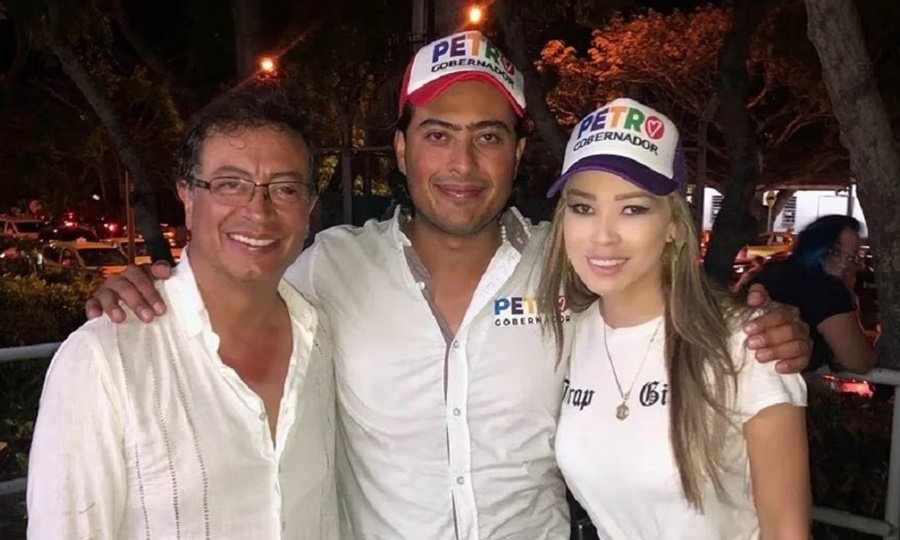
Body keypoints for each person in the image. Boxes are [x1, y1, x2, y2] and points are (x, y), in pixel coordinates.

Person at [85, 31, 810, 539]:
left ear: (517, 153)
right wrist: (148, 288)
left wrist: (772, 330)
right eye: (438, 135)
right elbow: (232, 292)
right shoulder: (329, 268)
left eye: (487, 136)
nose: (462, 164)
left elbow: (669, 316)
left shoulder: (569, 268)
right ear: (402, 149)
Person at [28, 84, 338, 538]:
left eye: (285, 189)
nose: (258, 211)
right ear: (188, 198)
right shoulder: (105, 360)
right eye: (230, 184)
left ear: (308, 209)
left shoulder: (325, 338)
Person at [539, 99, 809, 538]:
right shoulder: (567, 335)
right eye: (583, 208)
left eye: (633, 209)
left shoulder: (747, 344)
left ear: (673, 225)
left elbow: (787, 530)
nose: (602, 236)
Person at [754, 214, 877, 373]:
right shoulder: (828, 290)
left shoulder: (772, 270)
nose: (843, 264)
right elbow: (859, 362)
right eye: (835, 252)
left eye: (852, 258)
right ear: (815, 245)